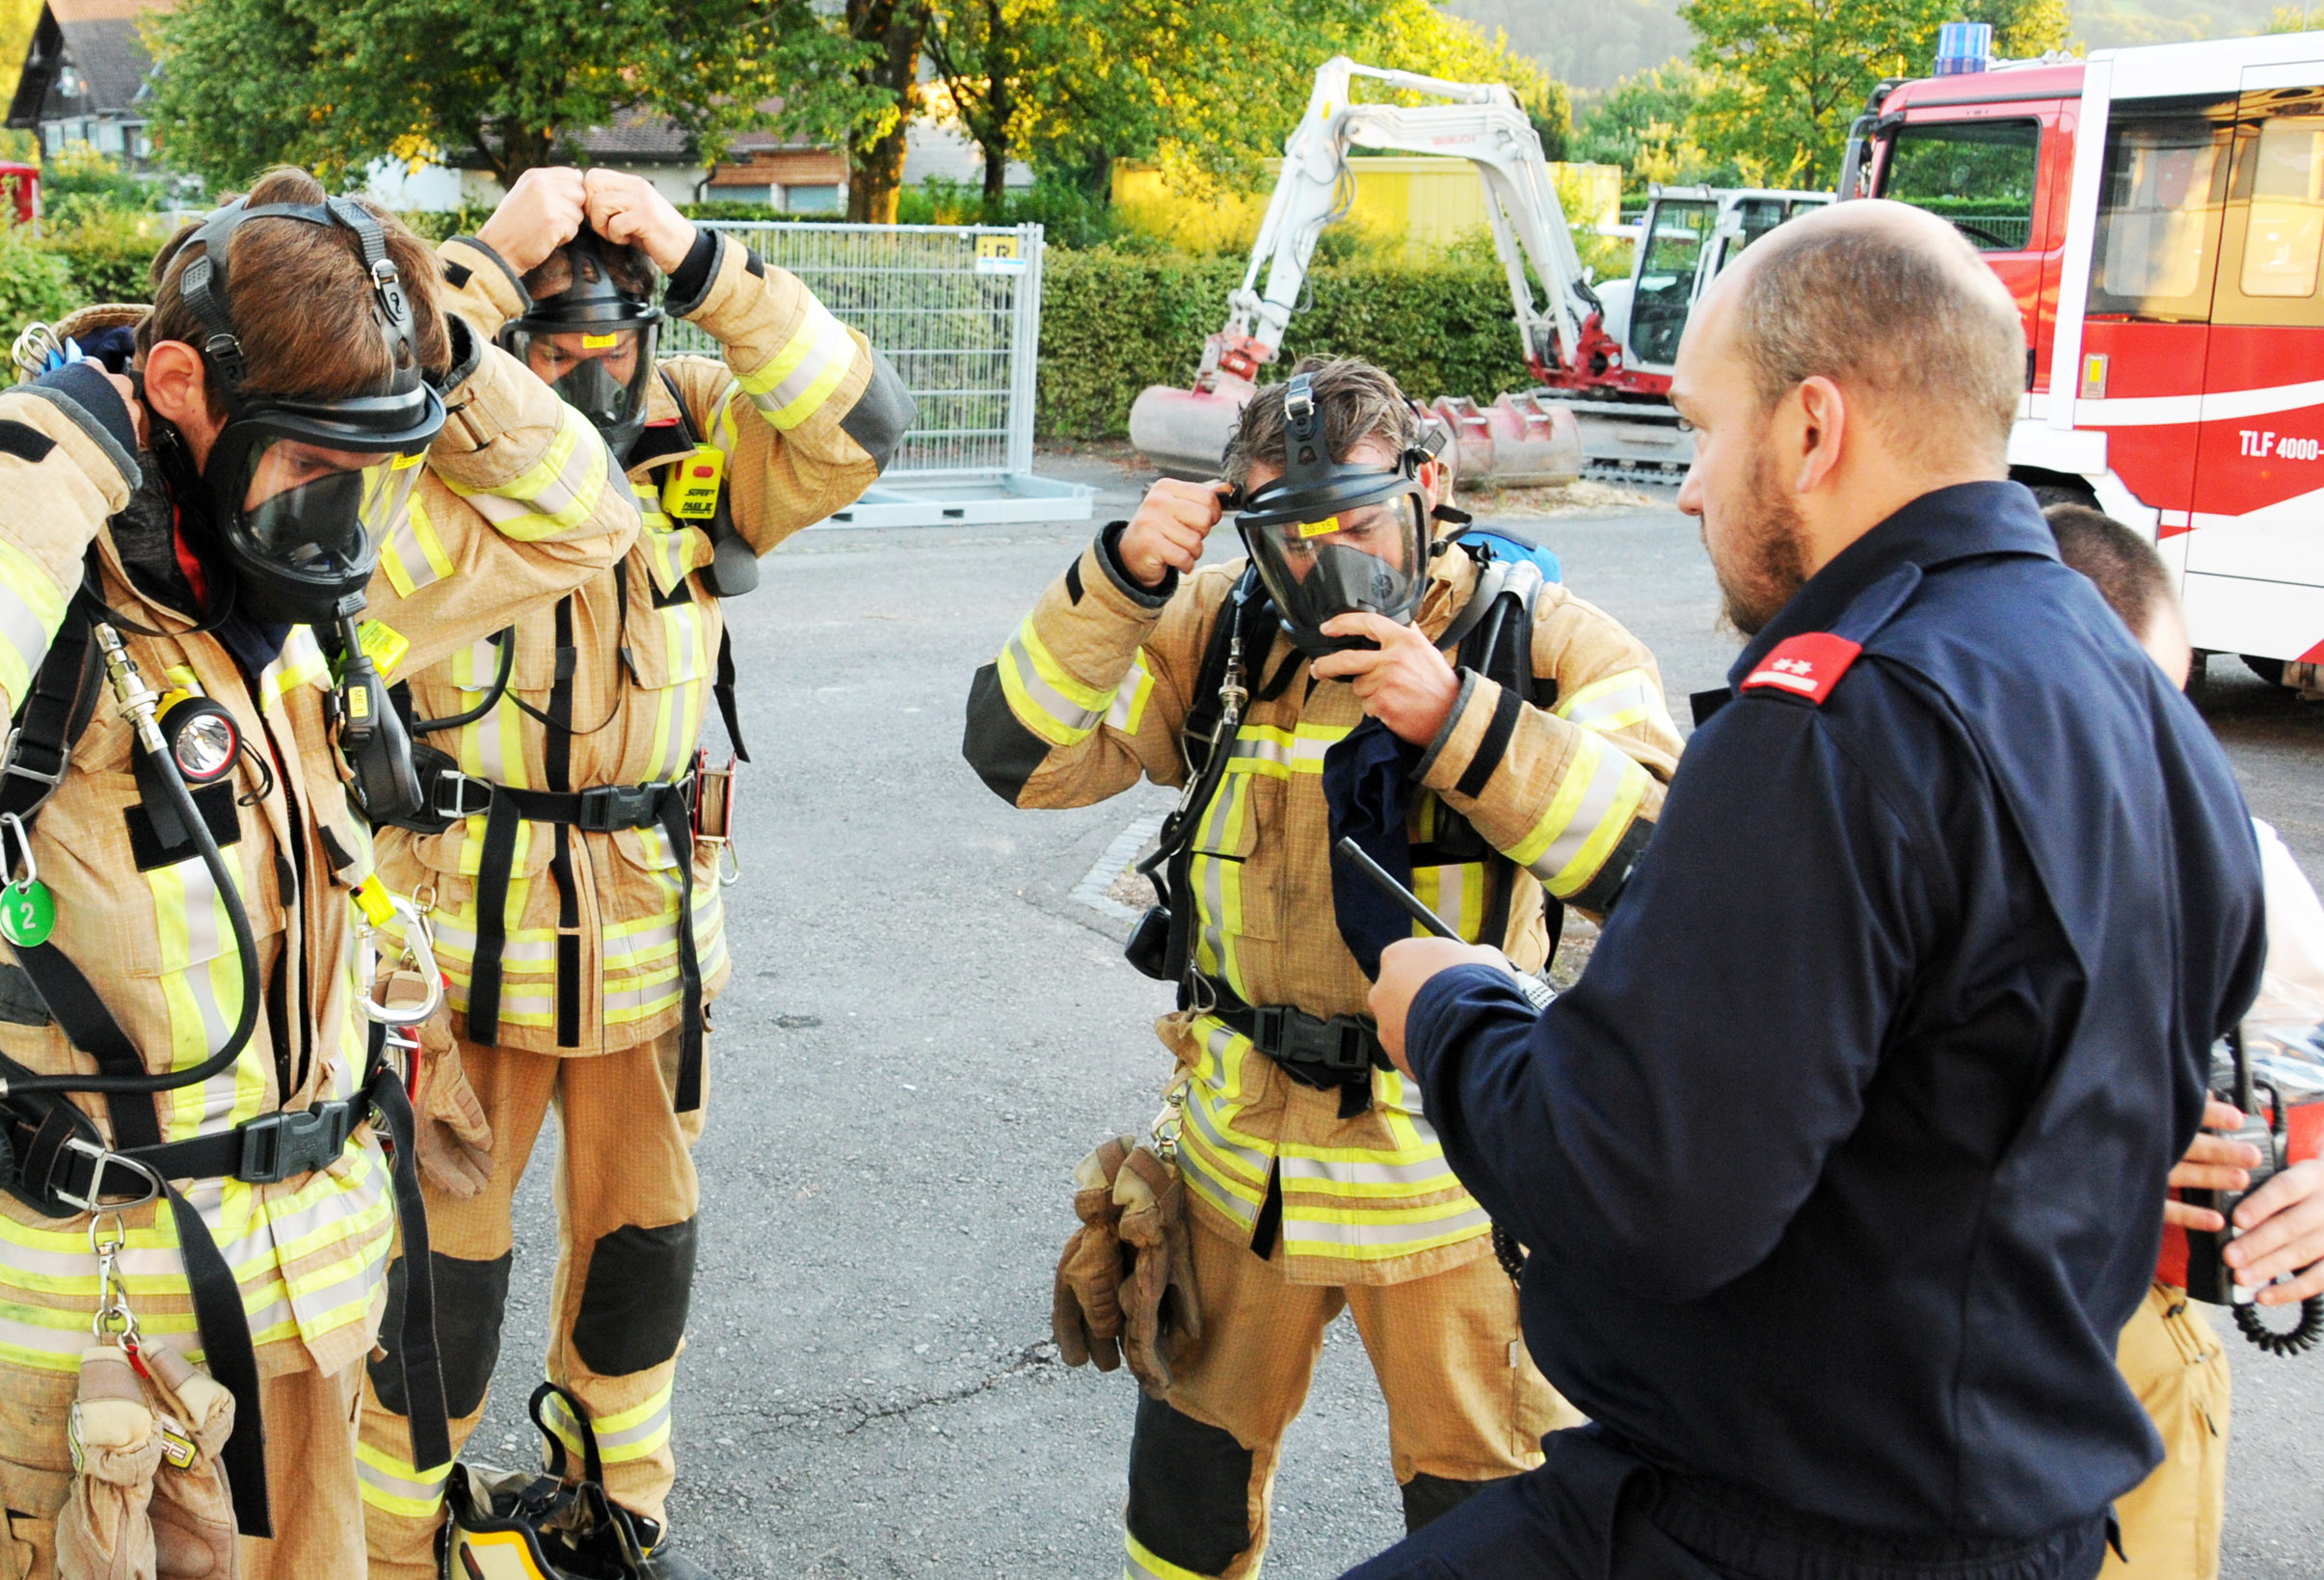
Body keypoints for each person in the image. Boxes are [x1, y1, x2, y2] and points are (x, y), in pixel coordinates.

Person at [1358, 200, 2266, 1580]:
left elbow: (1640, 1185)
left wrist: (1452, 1011)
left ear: (1810, 428)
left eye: (1702, 428)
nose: (1687, 487)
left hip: (1770, 1523)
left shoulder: (1837, 717)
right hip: (2015, 1524)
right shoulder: (2139, 706)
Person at [0, 167, 642, 1578]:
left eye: (377, 471)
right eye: (316, 465)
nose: (346, 518)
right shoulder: (39, 587)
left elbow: (580, 521)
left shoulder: (286, 592)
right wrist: (61, 434)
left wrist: (446, 343)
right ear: (179, 386)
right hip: (94, 1350)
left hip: (310, 1294)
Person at [962, 354, 1683, 1580]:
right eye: (1288, 539)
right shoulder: (1221, 628)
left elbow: (1658, 865)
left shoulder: (1546, 640)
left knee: (1486, 1526)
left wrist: (1459, 719)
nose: (1325, 568)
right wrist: (1124, 578)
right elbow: (1017, 757)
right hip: (1242, 1168)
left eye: (1358, 526)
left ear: (1429, 489)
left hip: (1452, 1183)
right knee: (1184, 1505)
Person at [352, 167, 914, 1579]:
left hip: (651, 929)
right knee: (439, 1272)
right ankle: (393, 1536)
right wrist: (479, 265)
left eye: (611, 341)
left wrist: (699, 257)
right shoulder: (423, 441)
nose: (583, 375)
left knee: (640, 1250)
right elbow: (343, 439)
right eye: (548, 349)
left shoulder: (702, 432)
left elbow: (864, 423)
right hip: (458, 937)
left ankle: (609, 1505)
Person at [2041, 503, 2324, 1580]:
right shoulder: (1864, 825)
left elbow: (2309, 1039)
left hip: (2130, 1368)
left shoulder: (2231, 858)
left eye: (2157, 712)